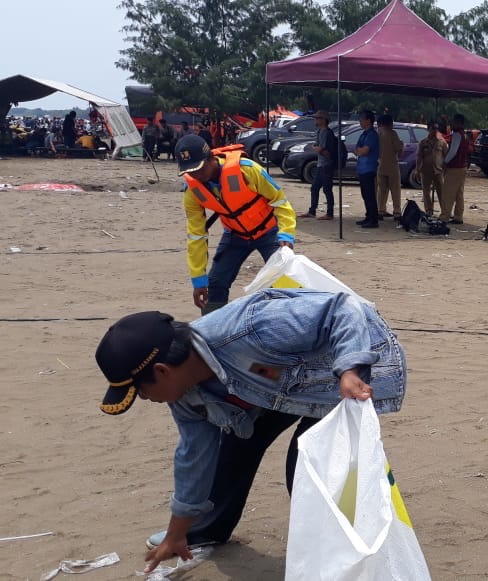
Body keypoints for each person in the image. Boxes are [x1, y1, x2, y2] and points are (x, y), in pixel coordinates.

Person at [94, 288, 407, 573]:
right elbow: (194, 457)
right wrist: (177, 533)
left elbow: (342, 308)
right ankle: (205, 531)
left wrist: (350, 368)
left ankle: (333, 559)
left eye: (142, 392)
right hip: (274, 385)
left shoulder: (251, 327)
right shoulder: (184, 396)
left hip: (350, 369)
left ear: (162, 372)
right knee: (234, 447)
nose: (147, 400)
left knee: (306, 464)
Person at [176, 135, 296, 314]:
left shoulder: (246, 170)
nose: (195, 176)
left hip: (269, 230)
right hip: (235, 235)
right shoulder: (192, 191)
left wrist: (286, 233)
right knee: (216, 282)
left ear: (210, 159)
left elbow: (279, 200)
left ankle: (293, 321)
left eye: (199, 169)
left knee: (285, 279)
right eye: (190, 172)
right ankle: (213, 329)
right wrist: (198, 280)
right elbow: (196, 235)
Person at [300, 111, 337, 220]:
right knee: (315, 188)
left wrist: (318, 149)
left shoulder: (326, 133)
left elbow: (326, 151)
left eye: (318, 118)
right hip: (321, 164)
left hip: (326, 165)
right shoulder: (320, 131)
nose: (316, 120)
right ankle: (312, 211)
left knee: (327, 189)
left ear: (323, 120)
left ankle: (330, 213)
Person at [440, 113, 469, 224]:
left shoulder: (457, 135)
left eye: (453, 122)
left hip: (455, 168)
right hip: (462, 167)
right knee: (458, 193)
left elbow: (453, 151)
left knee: (448, 193)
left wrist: (445, 162)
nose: (451, 124)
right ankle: (458, 216)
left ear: (459, 123)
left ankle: (444, 216)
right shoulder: (465, 135)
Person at [354, 110, 381, 228]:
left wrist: (360, 151)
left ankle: (373, 219)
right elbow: (356, 149)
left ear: (368, 121)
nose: (360, 122)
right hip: (362, 168)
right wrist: (359, 151)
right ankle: (368, 216)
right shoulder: (363, 134)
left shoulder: (372, 135)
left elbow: (364, 150)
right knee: (365, 194)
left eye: (361, 119)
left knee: (370, 194)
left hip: (369, 168)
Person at [376, 114, 404, 219]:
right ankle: (397, 211)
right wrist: (402, 145)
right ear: (389, 123)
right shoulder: (392, 134)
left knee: (382, 190)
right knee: (395, 189)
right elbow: (398, 148)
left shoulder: (377, 134)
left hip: (380, 165)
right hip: (392, 165)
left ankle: (381, 210)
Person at [417, 121, 447, 216]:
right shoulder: (423, 142)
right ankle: (428, 210)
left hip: (438, 170)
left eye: (436, 129)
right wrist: (418, 169)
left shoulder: (441, 143)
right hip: (426, 170)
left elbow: (445, 157)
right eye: (433, 129)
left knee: (441, 192)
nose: (434, 131)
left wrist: (445, 170)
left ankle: (445, 211)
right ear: (428, 129)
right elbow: (419, 156)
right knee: (426, 192)